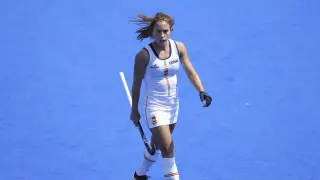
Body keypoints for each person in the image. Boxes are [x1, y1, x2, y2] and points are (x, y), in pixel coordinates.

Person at [129, 12, 212, 180]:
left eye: (165, 31)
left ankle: (139, 175)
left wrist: (201, 91)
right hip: (153, 107)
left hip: (173, 106)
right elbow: (136, 86)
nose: (162, 35)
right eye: (158, 31)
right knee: (168, 147)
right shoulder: (143, 56)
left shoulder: (179, 47)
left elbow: (190, 71)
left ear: (171, 31)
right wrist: (134, 111)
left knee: (157, 145)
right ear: (152, 33)